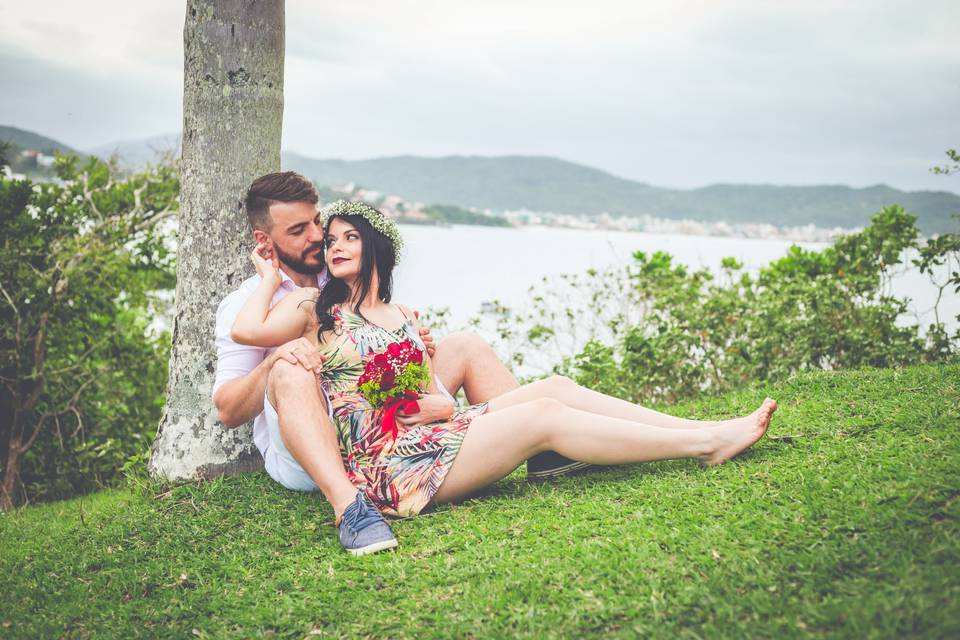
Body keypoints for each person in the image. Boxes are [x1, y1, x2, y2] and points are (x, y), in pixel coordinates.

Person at [230, 199, 779, 554]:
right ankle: (704, 445)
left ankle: (698, 425)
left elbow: (433, 399)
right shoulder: (311, 307)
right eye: (331, 241)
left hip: (428, 436)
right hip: (387, 467)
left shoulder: (401, 318)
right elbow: (248, 332)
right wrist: (265, 277)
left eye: (347, 238)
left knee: (556, 387)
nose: (334, 248)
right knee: (542, 416)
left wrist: (433, 407)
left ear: (374, 246)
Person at [213, 172, 588, 556]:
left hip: (378, 423)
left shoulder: (342, 274)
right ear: (264, 242)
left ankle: (541, 450)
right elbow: (227, 408)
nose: (315, 236)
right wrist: (277, 357)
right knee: (288, 367)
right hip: (311, 445)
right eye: (298, 230)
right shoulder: (247, 304)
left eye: (316, 222)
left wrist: (412, 344)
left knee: (464, 345)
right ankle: (350, 508)